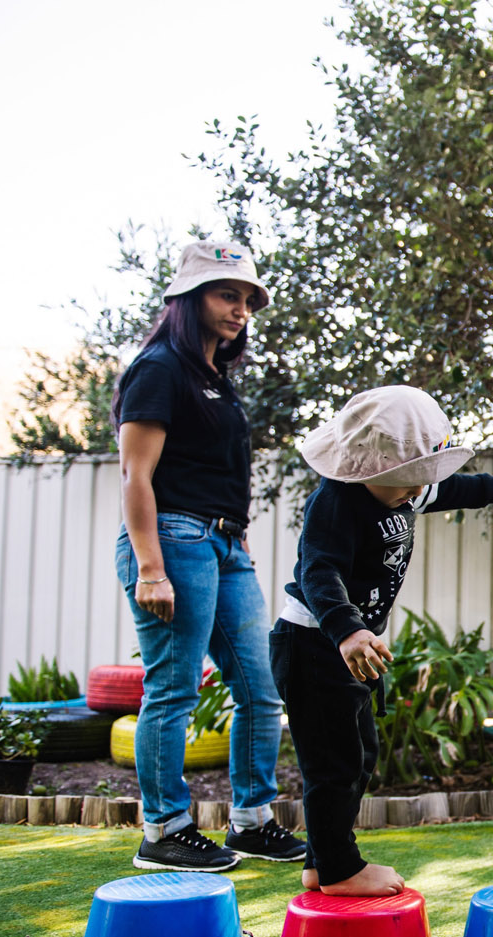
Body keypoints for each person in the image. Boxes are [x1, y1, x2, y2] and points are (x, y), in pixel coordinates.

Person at [273, 386, 493, 896]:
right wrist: (350, 630)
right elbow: (320, 573)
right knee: (332, 762)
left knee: (359, 756)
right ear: (366, 470)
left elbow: (450, 492)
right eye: (403, 484)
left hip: (351, 651)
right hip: (316, 645)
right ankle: (338, 870)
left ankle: (319, 861)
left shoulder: (401, 485)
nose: (412, 492)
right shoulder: (334, 502)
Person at [114, 240, 306, 871]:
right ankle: (164, 828)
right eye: (228, 294)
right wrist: (150, 567)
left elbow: (220, 471)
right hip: (172, 540)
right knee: (172, 690)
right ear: (188, 299)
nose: (241, 308)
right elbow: (135, 476)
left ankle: (250, 820)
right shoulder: (158, 369)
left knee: (261, 686)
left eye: (248, 298)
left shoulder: (216, 380)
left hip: (224, 544)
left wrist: (240, 535)